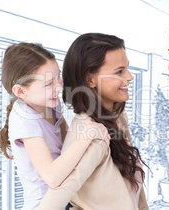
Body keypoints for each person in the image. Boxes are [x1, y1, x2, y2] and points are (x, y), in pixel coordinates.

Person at [36, 33, 149, 210]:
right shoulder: (92, 134)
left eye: (127, 68)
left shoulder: (117, 119)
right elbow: (52, 202)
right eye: (119, 71)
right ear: (90, 79)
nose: (130, 77)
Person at [0, 42, 109, 210]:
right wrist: (87, 135)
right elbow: (52, 177)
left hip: (66, 197)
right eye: (49, 84)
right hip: (45, 204)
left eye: (58, 77)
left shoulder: (50, 104)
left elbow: (67, 145)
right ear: (20, 92)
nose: (59, 87)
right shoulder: (24, 119)